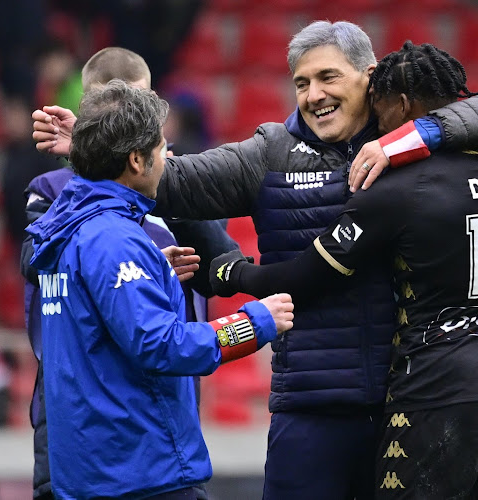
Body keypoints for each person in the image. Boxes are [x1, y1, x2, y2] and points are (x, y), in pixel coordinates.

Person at [32, 21, 478, 499]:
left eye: (328, 77)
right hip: (310, 406)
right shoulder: (270, 153)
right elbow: (169, 181)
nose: (314, 94)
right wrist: (99, 146)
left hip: (403, 401)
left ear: (371, 76)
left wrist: (417, 136)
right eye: (302, 82)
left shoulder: (415, 147)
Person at [208, 41, 478, 499]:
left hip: (437, 392)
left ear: (402, 106)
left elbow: (303, 278)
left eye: (381, 117)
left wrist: (229, 273)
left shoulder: (397, 187)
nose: (377, 131)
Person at [26, 80, 294, 500]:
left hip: (91, 475)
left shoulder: (66, 228)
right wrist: (255, 322)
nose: (168, 159)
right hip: (140, 473)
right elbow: (160, 344)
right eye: (162, 149)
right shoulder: (114, 240)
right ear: (136, 160)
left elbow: (99, 319)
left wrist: (154, 273)